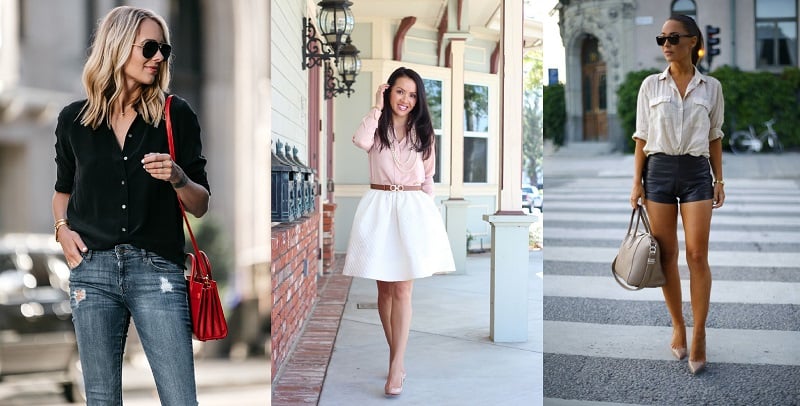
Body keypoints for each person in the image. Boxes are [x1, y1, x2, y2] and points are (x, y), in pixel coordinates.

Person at [52, 6, 210, 404]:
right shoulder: (74, 121)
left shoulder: (176, 115)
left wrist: (177, 176)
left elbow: (200, 203)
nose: (159, 57)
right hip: (92, 273)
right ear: (118, 47)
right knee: (101, 399)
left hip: (157, 270)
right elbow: (63, 190)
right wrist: (61, 229)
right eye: (150, 47)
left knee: (179, 398)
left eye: (164, 50)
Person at [343, 67, 456, 396]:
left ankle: (396, 367)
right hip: (379, 208)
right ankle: (398, 358)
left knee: (403, 290)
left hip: (412, 210)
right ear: (388, 92)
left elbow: (428, 178)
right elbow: (359, 140)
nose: (405, 99)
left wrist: (429, 220)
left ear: (418, 98)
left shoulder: (424, 134)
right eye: (399, 91)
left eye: (411, 94)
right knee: (385, 292)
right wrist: (376, 106)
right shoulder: (375, 127)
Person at [630, 14, 725, 375]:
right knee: (666, 255)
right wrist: (636, 183)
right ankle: (678, 326)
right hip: (659, 172)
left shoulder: (711, 87)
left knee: (697, 255)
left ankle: (699, 333)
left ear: (692, 41)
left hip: (697, 172)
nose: (666, 45)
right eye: (661, 39)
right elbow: (641, 138)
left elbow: (715, 136)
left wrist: (720, 180)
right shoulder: (650, 86)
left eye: (673, 38)